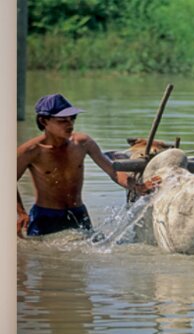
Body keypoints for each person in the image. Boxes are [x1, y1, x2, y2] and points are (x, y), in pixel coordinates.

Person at [16, 94, 159, 238]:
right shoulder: (30, 151)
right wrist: (21, 213)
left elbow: (112, 171)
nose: (70, 124)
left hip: (78, 213)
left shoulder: (83, 143)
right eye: (62, 120)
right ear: (43, 121)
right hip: (45, 217)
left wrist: (136, 186)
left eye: (72, 119)